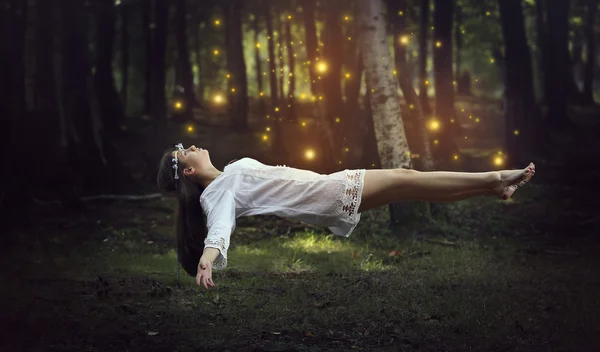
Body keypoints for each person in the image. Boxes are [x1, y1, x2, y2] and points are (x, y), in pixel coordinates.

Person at [157, 143, 535, 290]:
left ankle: (491, 188)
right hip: (328, 193)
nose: (190, 145)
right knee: (407, 178)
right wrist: (207, 259)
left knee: (411, 186)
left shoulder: (229, 173)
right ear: (187, 171)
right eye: (182, 151)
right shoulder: (217, 194)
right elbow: (220, 228)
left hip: (325, 191)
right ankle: (496, 177)